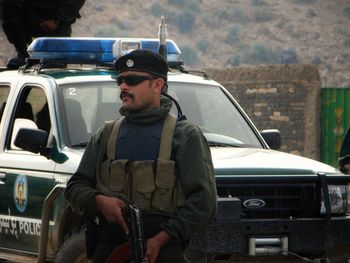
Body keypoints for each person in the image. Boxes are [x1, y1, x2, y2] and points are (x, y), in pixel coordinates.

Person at [65, 49, 217, 263]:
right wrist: (99, 201)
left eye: (132, 80)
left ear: (157, 85)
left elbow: (204, 203)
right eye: (120, 81)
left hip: (160, 252)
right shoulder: (105, 135)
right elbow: (75, 187)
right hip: (110, 251)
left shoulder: (184, 136)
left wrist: (162, 238)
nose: (123, 87)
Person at [2, 0, 85, 69]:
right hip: (28, 19)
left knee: (53, 68)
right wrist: (21, 49)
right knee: (10, 7)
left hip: (57, 25)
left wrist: (58, 20)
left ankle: (54, 58)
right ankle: (23, 53)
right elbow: (10, 8)